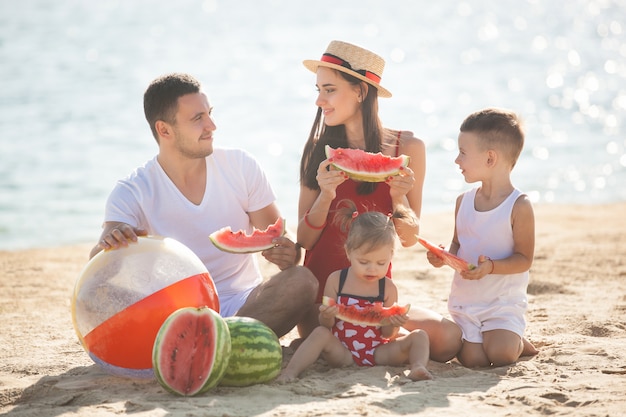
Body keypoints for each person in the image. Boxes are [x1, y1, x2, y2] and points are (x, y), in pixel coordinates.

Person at [89, 72, 318, 338]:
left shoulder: (240, 166)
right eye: (198, 118)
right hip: (175, 313)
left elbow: (277, 235)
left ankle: (213, 345)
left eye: (209, 113)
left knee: (302, 281)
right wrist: (109, 241)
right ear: (164, 130)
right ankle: (221, 345)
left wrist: (288, 252)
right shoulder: (133, 191)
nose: (212, 125)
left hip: (245, 304)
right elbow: (100, 264)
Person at [297, 40, 461, 362]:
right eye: (318, 89)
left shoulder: (408, 148)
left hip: (376, 297)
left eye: (329, 89)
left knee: (449, 339)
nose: (319, 100)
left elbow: (409, 238)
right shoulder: (318, 148)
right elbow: (303, 240)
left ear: (360, 92)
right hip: (324, 303)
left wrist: (398, 197)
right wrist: (326, 194)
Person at [424, 107, 536, 367]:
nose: (456, 160)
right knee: (472, 361)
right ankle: (501, 338)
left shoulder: (519, 206)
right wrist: (443, 256)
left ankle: (517, 340)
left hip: (501, 305)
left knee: (501, 355)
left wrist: (491, 268)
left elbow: (524, 260)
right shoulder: (462, 201)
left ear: (489, 159)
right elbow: (458, 244)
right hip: (467, 304)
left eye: (463, 153)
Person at [278, 201, 433, 382]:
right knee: (319, 334)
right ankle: (290, 372)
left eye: (381, 263)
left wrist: (393, 322)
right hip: (342, 351)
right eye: (364, 262)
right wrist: (327, 315)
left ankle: (418, 367)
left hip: (378, 353)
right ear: (348, 252)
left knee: (420, 336)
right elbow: (326, 325)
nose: (372, 269)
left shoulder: (388, 288)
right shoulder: (337, 280)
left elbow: (387, 335)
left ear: (391, 256)